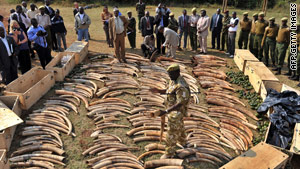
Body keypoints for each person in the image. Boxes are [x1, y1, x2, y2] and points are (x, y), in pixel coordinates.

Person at [150, 64, 190, 159]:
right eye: (169, 74)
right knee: (180, 126)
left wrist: (166, 111)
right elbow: (169, 90)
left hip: (176, 112)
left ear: (177, 72)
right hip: (172, 110)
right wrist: (159, 91)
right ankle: (183, 142)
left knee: (171, 133)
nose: (170, 76)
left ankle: (169, 152)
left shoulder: (181, 86)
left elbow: (180, 103)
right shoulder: (173, 80)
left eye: (171, 74)